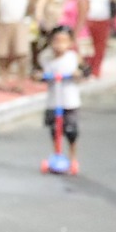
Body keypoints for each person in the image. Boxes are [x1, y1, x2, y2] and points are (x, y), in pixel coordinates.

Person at [38, 26, 82, 174]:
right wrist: (39, 76)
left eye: (64, 41)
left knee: (70, 130)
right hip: (53, 100)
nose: (59, 45)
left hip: (69, 100)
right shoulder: (45, 57)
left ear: (70, 43)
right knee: (54, 129)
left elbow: (83, 71)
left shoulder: (73, 57)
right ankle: (57, 154)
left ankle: (72, 156)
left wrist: (77, 74)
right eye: (56, 41)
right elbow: (39, 72)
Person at [81, 0, 113, 77]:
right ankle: (87, 68)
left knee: (100, 45)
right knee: (87, 45)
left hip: (103, 20)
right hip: (89, 20)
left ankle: (96, 69)